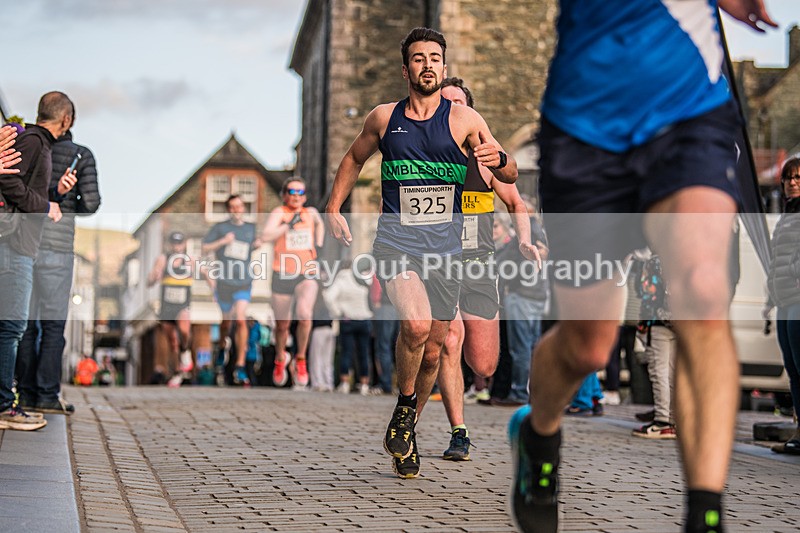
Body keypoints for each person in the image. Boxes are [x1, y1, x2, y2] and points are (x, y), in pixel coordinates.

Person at [508, 3, 777, 533]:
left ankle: (705, 514)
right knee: (589, 345)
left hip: (689, 111)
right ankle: (539, 435)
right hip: (585, 127)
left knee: (702, 289)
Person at [326, 27, 518, 479]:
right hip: (397, 244)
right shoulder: (383, 118)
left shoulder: (465, 120)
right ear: (406, 69)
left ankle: (406, 421)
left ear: (444, 67)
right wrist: (333, 207)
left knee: (433, 352)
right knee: (414, 325)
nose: (427, 65)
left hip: (448, 252)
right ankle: (405, 407)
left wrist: (500, 158)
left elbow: (508, 173)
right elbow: (353, 158)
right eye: (418, 58)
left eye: (434, 58)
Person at [413, 76, 539, 460]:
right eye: (445, 102)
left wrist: (524, 240)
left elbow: (516, 202)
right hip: (439, 263)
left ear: (470, 112)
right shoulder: (425, 154)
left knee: (483, 363)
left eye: (458, 103)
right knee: (449, 339)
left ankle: (422, 416)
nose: (451, 109)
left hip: (479, 264)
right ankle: (452, 430)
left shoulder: (486, 158)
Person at [16, 117, 101, 414]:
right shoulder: (81, 155)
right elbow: (91, 203)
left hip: (25, 243)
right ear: (67, 121)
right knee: (53, 326)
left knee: (26, 325)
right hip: (58, 247)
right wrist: (68, 197)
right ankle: (47, 395)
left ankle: (25, 394)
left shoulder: (27, 145)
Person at [0, 92, 72, 431]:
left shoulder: (37, 142)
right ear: (66, 120)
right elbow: (6, 179)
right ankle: (4, 406)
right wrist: (44, 206)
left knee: (12, 327)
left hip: (21, 246)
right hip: (14, 245)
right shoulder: (33, 141)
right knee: (12, 328)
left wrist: (53, 196)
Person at [261, 178, 324, 389]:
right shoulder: (279, 213)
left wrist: (318, 246)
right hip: (282, 272)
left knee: (304, 314)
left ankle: (300, 359)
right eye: (292, 191)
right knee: (282, 325)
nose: (296, 196)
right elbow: (266, 235)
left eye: (300, 192)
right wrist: (288, 224)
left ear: (305, 197)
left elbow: (320, 225)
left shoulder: (311, 213)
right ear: (284, 194)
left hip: (306, 272)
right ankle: (281, 358)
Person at [202, 194, 261, 386]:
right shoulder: (220, 227)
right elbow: (205, 247)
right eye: (233, 207)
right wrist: (222, 242)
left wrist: (257, 245)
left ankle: (240, 365)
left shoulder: (250, 228)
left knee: (241, 320)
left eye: (240, 206)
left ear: (244, 208)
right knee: (226, 323)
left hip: (243, 281)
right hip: (224, 282)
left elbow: (248, 249)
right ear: (229, 209)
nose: (237, 210)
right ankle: (222, 346)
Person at [764, 157, 800, 455]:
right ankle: (799, 432)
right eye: (788, 178)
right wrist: (770, 298)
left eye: (798, 178)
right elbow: (776, 260)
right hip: (784, 301)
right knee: (793, 371)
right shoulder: (787, 216)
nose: (792, 182)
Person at [148, 231, 203, 387]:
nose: (176, 246)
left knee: (184, 330)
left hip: (183, 303)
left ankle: (185, 351)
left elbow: (206, 272)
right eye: (174, 243)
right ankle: (177, 371)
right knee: (172, 341)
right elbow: (149, 281)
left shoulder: (190, 260)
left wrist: (214, 288)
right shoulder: (163, 259)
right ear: (169, 244)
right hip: (167, 305)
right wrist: (154, 276)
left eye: (179, 243)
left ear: (184, 244)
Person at [633, 252, 677, 439]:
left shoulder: (655, 261)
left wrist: (643, 325)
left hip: (658, 322)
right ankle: (673, 420)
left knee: (659, 371)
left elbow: (647, 294)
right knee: (673, 372)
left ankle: (662, 421)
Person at [323, 261, 373, 395]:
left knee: (346, 352)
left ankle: (344, 383)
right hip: (364, 318)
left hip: (348, 319)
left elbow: (328, 296)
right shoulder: (362, 279)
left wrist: (337, 311)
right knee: (364, 353)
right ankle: (364, 384)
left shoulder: (341, 280)